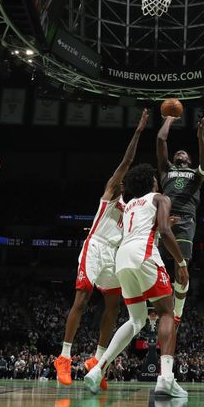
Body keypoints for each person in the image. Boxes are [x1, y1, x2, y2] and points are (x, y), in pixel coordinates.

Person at [54, 109, 150, 389]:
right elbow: (128, 159)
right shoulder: (109, 194)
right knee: (82, 300)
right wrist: (139, 130)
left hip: (114, 255)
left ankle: (97, 361)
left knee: (113, 305)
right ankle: (64, 357)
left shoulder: (133, 208)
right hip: (95, 247)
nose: (121, 181)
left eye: (125, 182)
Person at [84, 164, 189, 398]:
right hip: (144, 254)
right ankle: (166, 378)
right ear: (153, 181)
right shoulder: (161, 198)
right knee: (166, 313)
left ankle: (98, 369)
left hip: (123, 257)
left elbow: (147, 229)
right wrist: (181, 263)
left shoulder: (130, 204)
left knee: (136, 319)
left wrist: (162, 230)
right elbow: (162, 228)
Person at [156, 114, 204, 329]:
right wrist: (169, 119)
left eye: (183, 153)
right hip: (163, 220)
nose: (179, 153)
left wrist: (200, 137)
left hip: (185, 221)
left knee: (182, 269)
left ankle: (177, 313)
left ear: (188, 160)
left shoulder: (195, 174)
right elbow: (161, 141)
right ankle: (155, 306)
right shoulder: (166, 170)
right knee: (154, 264)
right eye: (177, 152)